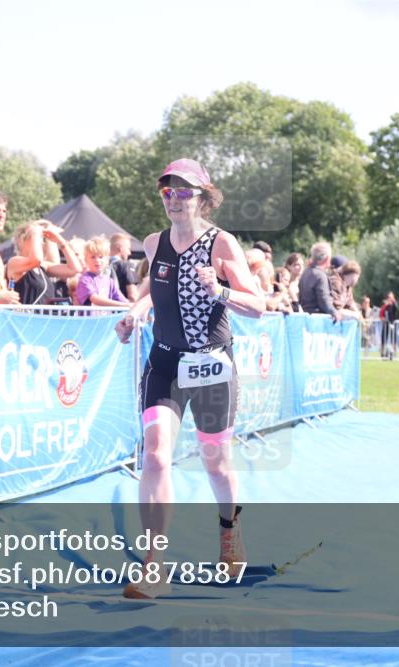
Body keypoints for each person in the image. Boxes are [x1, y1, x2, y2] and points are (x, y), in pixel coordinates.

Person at [113, 159, 265, 599]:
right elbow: (151, 292)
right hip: (165, 364)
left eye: (184, 192)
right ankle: (154, 564)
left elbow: (258, 305)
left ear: (204, 198)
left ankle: (230, 530)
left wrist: (220, 290)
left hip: (213, 367)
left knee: (216, 462)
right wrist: (134, 314)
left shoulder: (222, 243)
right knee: (156, 455)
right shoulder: (153, 242)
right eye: (168, 192)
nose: (174, 200)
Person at [6, 220, 83, 306]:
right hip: (24, 314)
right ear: (22, 240)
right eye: (39, 239)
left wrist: (61, 242)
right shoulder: (14, 262)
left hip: (42, 314)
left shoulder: (42, 266)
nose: (42, 243)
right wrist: (35, 231)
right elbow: (36, 260)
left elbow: (75, 269)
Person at [76, 236, 129, 307]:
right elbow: (95, 299)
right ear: (86, 260)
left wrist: (132, 305)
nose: (97, 260)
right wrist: (123, 305)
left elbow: (121, 299)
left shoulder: (110, 281)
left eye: (101, 257)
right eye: (93, 257)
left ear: (107, 259)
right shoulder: (85, 280)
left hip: (106, 314)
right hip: (90, 314)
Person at [299, 242, 342, 322]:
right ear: (327, 258)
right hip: (318, 320)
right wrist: (334, 312)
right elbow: (323, 300)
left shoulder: (305, 272)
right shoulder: (320, 275)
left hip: (305, 317)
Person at [109, 232, 139, 302]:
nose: (129, 253)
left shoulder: (101, 266)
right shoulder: (126, 265)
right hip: (122, 307)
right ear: (120, 249)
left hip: (104, 307)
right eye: (128, 249)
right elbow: (133, 295)